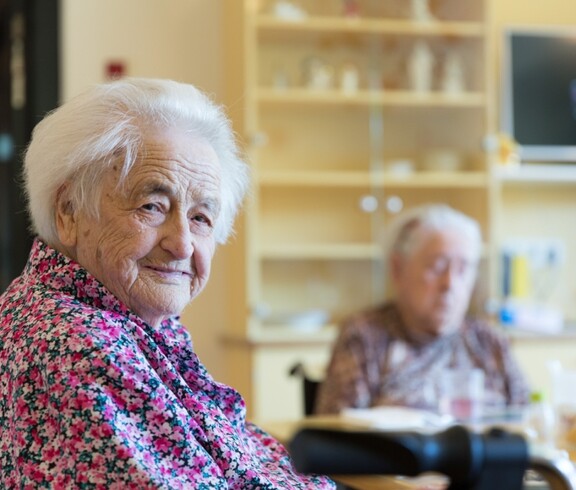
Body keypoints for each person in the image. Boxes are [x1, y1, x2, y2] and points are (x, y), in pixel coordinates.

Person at [0, 78, 334, 489]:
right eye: (152, 207)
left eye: (200, 219)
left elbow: (235, 452)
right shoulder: (80, 343)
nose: (181, 244)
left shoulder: (127, 317)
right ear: (69, 211)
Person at [315, 204, 530, 415]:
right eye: (437, 267)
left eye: (464, 269)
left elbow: (530, 424)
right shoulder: (364, 337)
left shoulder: (488, 341)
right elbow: (335, 435)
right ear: (398, 269)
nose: (450, 284)